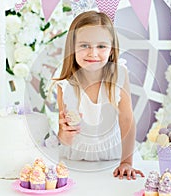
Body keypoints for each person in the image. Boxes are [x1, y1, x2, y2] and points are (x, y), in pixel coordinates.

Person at [53, 10, 144, 180]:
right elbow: (63, 137)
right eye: (84, 45)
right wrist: (66, 132)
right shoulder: (65, 83)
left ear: (111, 49)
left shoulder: (119, 74)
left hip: (113, 155)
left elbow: (126, 120)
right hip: (74, 157)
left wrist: (126, 162)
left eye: (101, 46)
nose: (92, 53)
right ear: (72, 48)